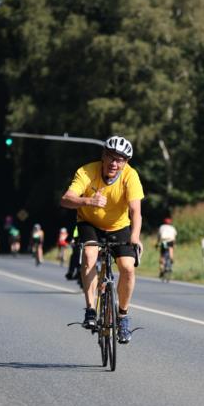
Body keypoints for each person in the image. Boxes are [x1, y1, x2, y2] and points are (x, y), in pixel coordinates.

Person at [60, 135, 143, 344]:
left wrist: (134, 236)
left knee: (128, 267)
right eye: (111, 157)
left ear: (126, 162)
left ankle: (123, 317)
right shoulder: (87, 171)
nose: (114, 164)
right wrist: (88, 200)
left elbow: (136, 211)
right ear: (103, 156)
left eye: (120, 160)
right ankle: (90, 310)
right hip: (89, 223)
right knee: (89, 255)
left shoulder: (130, 177)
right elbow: (66, 199)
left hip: (118, 226)